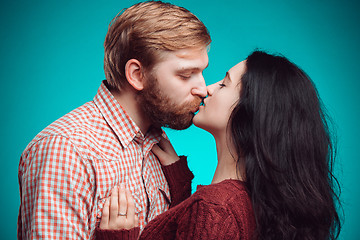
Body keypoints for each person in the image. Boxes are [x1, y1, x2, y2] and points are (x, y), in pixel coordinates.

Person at [96, 50, 342, 240]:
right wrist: (180, 188)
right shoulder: (247, 202)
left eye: (224, 83)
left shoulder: (215, 209)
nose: (206, 89)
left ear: (251, 112)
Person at [17, 1, 211, 239]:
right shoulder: (66, 150)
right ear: (137, 75)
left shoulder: (157, 145)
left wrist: (180, 193)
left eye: (202, 72)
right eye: (185, 75)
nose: (203, 88)